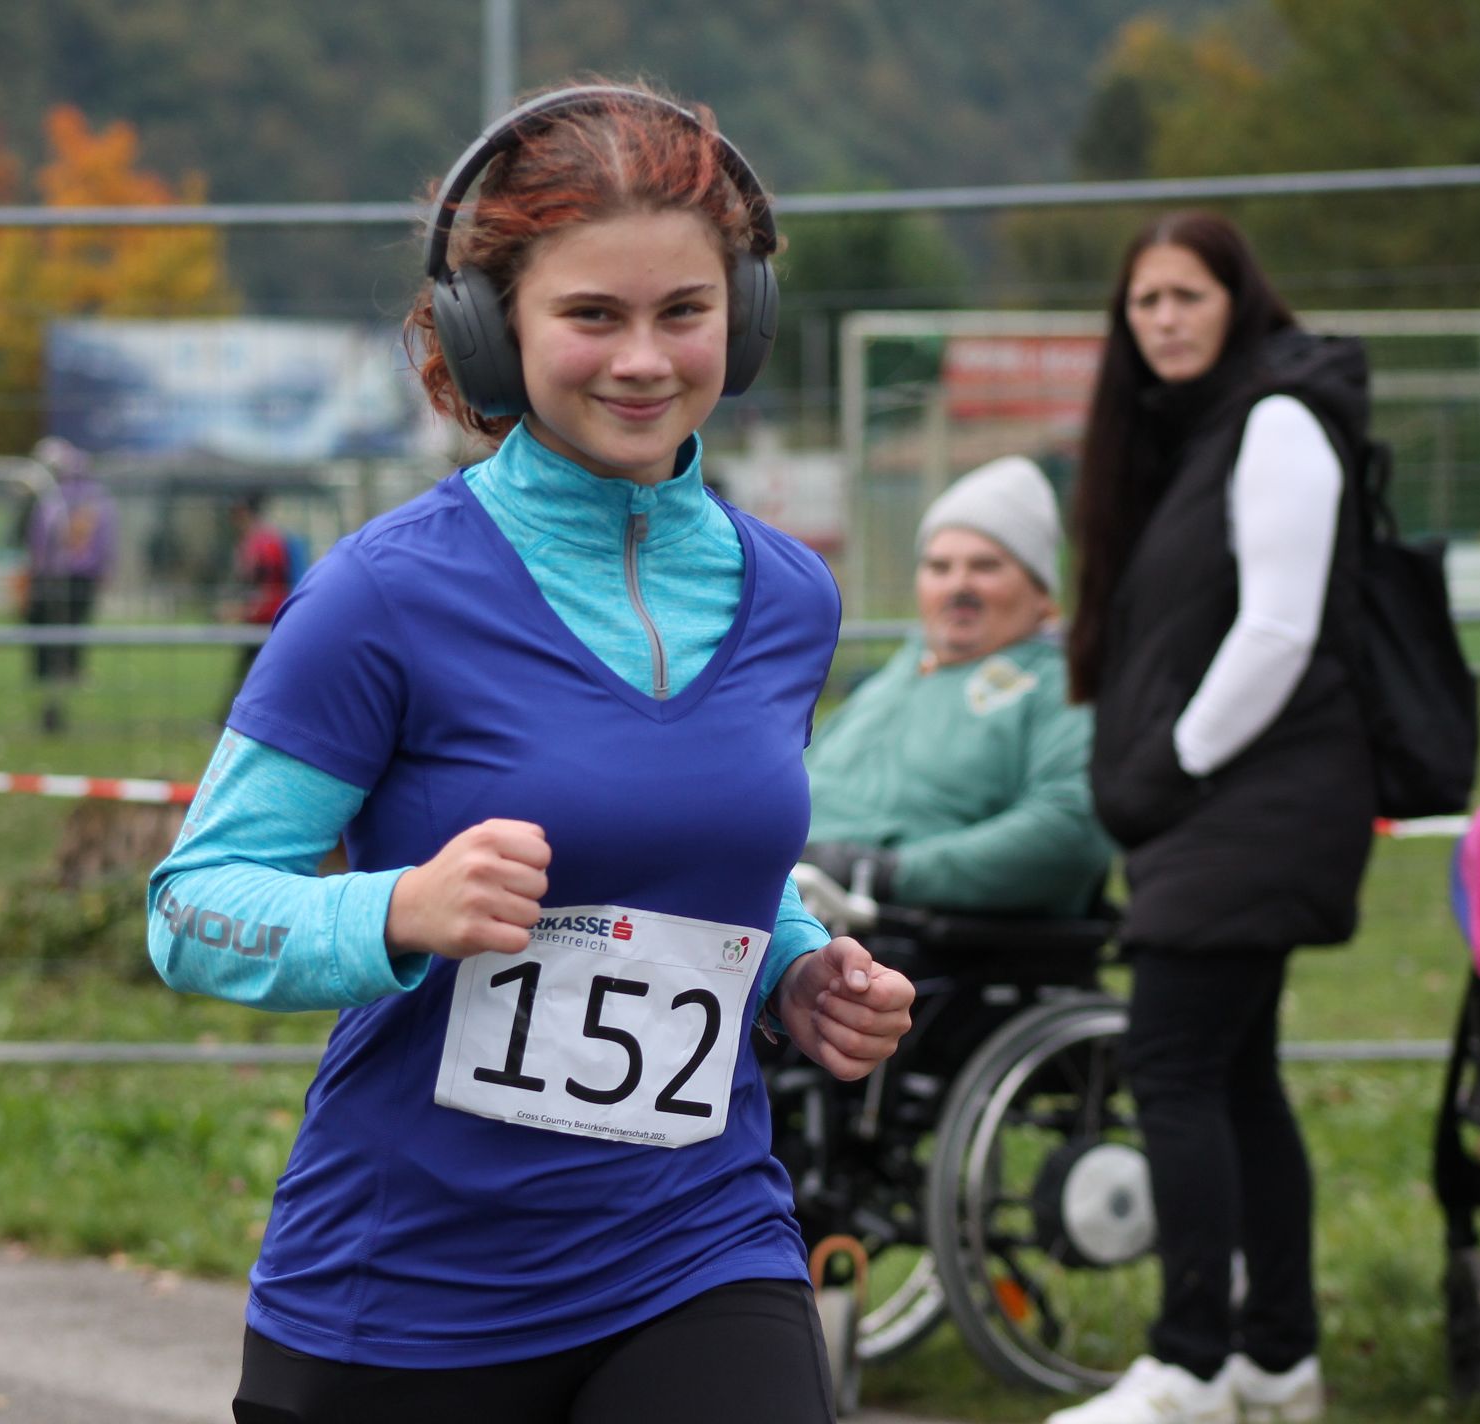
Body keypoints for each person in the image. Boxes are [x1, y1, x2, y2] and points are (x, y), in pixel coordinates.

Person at [147, 83, 914, 1424]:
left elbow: (694, 862)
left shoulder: (792, 598)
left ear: (743, 320)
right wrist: (399, 908)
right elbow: (192, 908)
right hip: (407, 1287)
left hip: (698, 1243)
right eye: (592, 316)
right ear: (491, 328)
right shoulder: (382, 595)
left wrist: (796, 967)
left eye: (684, 312)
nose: (644, 360)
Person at [1047, 212, 1373, 1424]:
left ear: (1238, 299)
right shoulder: (1193, 435)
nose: (1165, 319)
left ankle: (1188, 1365)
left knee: (1173, 1059)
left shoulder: (1278, 417)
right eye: (1145, 301)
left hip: (1257, 797)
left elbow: (1280, 627)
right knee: (1236, 1074)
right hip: (1228, 801)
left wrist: (1171, 763)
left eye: (1188, 294)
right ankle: (1277, 1360)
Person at [801, 455, 1113, 923]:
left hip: (897, 930)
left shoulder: (1059, 684)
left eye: (985, 566)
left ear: (1041, 591)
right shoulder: (900, 674)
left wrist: (885, 872)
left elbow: (1072, 828)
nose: (958, 586)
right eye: (939, 567)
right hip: (789, 898)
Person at [22, 435, 116, 734]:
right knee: (74, 626)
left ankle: (57, 672)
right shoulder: (98, 498)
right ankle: (69, 671)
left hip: (58, 574)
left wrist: (39, 568)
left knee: (57, 627)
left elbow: (40, 537)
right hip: (79, 574)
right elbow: (105, 539)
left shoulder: (53, 497)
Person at [225, 489, 294, 695]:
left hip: (268, 620)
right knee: (251, 678)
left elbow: (269, 586)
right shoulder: (252, 542)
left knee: (252, 679)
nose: (233, 519)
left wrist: (244, 611)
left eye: (237, 512)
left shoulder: (265, 543)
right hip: (261, 619)